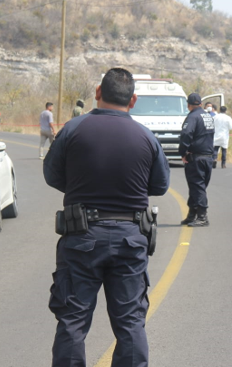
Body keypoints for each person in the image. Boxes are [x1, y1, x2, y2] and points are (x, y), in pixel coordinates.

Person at [43, 68, 170, 367]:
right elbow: (160, 185)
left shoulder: (73, 129)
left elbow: (51, 175)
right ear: (133, 100)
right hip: (130, 239)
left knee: (72, 321)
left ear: (98, 93)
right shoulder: (146, 137)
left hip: (82, 237)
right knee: (130, 324)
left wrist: (79, 187)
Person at [179, 92, 215, 227]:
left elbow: (186, 134)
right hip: (208, 157)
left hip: (196, 158)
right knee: (198, 186)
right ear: (200, 103)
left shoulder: (192, 117)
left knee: (197, 186)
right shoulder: (208, 116)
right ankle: (192, 214)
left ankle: (202, 217)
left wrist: (182, 152)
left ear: (188, 105)